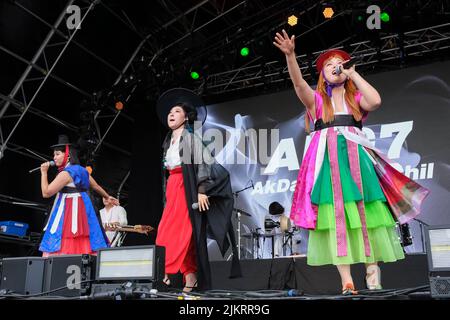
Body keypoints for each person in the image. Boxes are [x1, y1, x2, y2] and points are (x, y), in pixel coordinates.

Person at [274, 30, 429, 294]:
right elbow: (299, 85)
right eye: (329, 65)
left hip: (357, 161)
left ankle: (373, 277)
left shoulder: (354, 99)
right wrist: (290, 55)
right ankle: (347, 281)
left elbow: (376, 101)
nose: (335, 66)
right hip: (329, 165)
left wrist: (353, 74)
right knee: (336, 219)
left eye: (339, 63)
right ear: (322, 75)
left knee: (367, 215)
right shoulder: (317, 101)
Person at [155, 88, 241, 292]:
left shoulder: (190, 138)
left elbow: (204, 163)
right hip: (174, 189)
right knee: (165, 231)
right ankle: (190, 276)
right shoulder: (168, 141)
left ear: (186, 117)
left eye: (176, 111)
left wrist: (202, 189)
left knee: (182, 234)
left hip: (187, 189)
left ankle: (165, 270)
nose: (171, 114)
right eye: (170, 112)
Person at [39, 135, 118, 256]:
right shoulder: (82, 170)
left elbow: (46, 193)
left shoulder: (65, 174)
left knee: (68, 235)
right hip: (84, 208)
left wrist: (44, 173)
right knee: (84, 236)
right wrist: (107, 197)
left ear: (68, 155)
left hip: (70, 209)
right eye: (54, 155)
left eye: (57, 154)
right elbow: (95, 186)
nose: (54, 157)